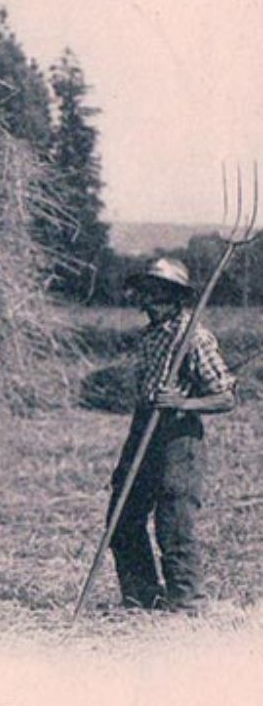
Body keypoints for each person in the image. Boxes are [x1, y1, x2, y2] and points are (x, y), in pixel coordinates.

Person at [108, 257, 236, 612]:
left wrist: (183, 402)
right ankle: (141, 598)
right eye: (143, 292)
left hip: (178, 436)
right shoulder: (151, 336)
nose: (143, 301)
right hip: (143, 429)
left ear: (172, 296)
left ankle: (186, 604)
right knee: (122, 515)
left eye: (152, 294)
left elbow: (226, 397)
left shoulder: (193, 338)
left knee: (174, 523)